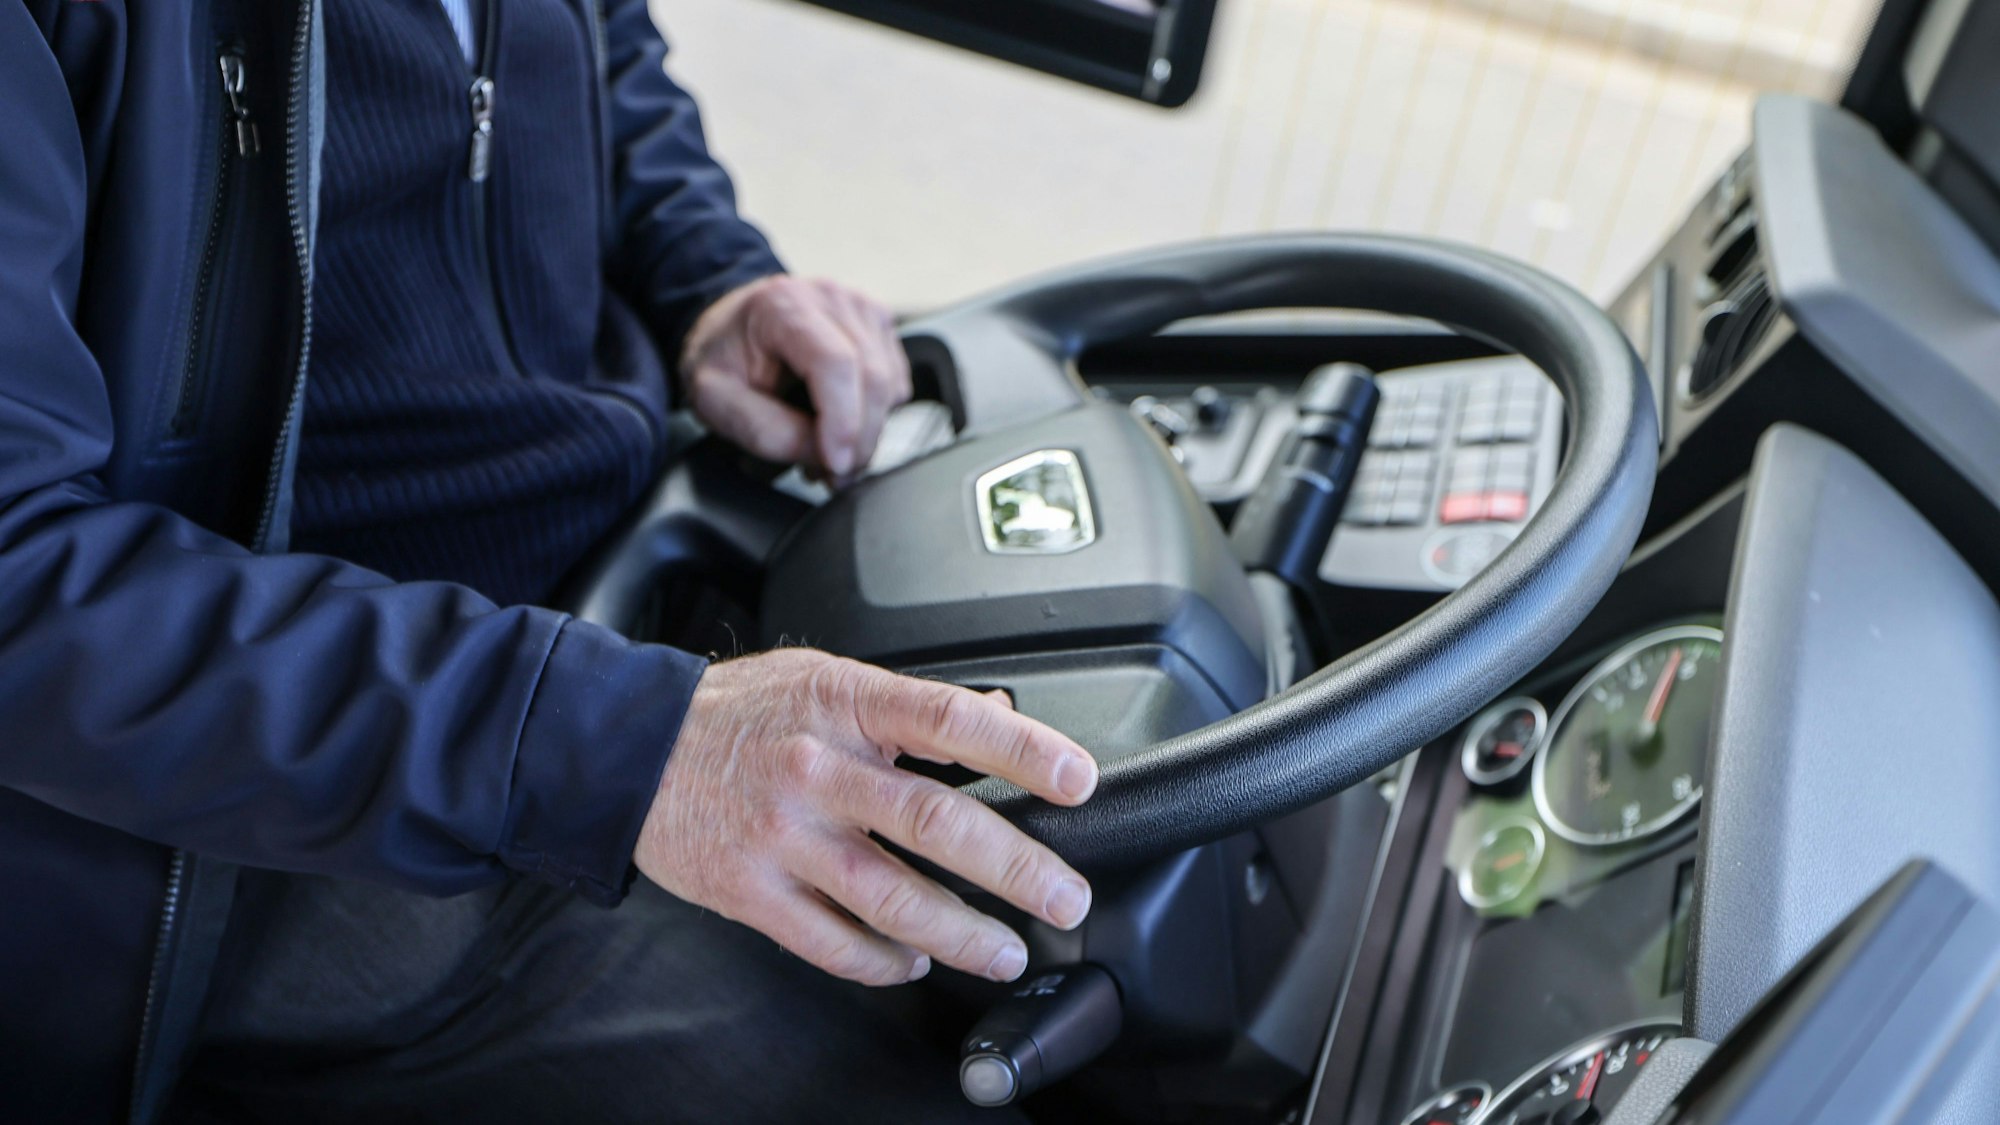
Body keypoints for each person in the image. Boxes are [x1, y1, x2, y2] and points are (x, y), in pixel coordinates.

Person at [0, 1, 1098, 1121]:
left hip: (613, 597)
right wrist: (605, 741)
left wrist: (709, 280)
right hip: (271, 798)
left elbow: (591, 43)